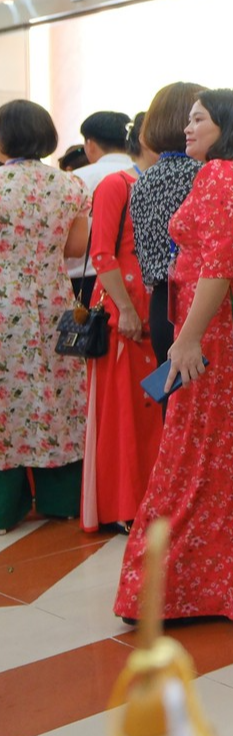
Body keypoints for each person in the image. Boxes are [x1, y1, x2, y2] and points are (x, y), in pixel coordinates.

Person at [115, 89, 233, 622]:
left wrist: (186, 339)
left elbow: (218, 263)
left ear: (226, 125)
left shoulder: (220, 175)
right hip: (224, 326)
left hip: (217, 333)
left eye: (198, 119)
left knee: (202, 455)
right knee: (221, 452)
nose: (187, 129)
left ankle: (194, 585)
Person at [0, 101, 91, 531]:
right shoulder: (69, 187)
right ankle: (62, 500)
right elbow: (75, 249)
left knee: (6, 401)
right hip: (55, 301)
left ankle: (7, 507)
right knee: (61, 396)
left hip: (4, 305)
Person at [79, 115, 162, 534]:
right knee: (123, 412)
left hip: (156, 305)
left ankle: (150, 497)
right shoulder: (117, 185)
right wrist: (125, 309)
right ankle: (123, 503)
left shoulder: (163, 180)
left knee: (152, 411)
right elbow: (101, 254)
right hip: (123, 305)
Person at [129, 83, 205, 367]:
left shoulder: (141, 182)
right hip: (204, 302)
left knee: (172, 401)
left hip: (162, 303)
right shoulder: (207, 174)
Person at [68, 111, 134, 306]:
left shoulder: (76, 179)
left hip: (82, 279)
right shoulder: (144, 174)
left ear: (90, 144)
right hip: (132, 279)